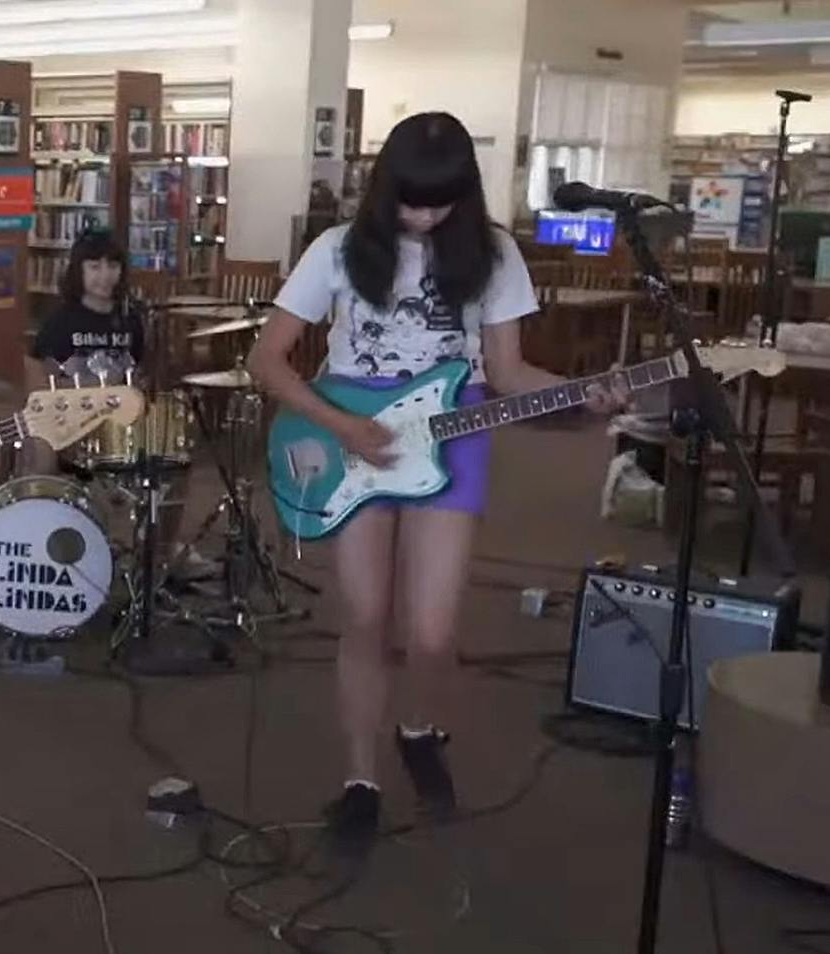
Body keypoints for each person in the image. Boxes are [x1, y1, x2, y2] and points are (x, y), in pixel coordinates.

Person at [245, 112, 624, 847]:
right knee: (363, 617)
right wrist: (344, 424)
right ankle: (360, 780)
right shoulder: (337, 250)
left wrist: (585, 395)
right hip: (353, 433)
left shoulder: (495, 256)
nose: (421, 216)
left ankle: (417, 727)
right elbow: (268, 360)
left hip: (456, 438)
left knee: (431, 631)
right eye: (409, 201)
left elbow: (508, 372)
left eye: (438, 204)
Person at [22, 229, 145, 474]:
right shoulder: (62, 321)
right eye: (94, 266)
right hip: (70, 424)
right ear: (79, 271)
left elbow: (139, 374)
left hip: (118, 426)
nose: (105, 275)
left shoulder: (130, 320)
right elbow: (37, 382)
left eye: (112, 265)